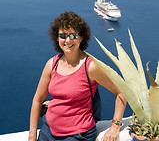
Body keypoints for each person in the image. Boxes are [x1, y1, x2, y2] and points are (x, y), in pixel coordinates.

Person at [28, 11, 126, 141]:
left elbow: (121, 93)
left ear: (81, 38)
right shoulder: (52, 64)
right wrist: (32, 133)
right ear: (57, 38)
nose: (68, 40)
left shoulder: (90, 67)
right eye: (63, 35)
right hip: (48, 132)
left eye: (73, 35)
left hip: (78, 135)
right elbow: (37, 100)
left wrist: (115, 126)